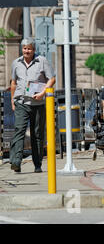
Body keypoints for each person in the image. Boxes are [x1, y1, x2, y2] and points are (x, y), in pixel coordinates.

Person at [10, 37, 56, 173]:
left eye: (29, 48)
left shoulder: (42, 61)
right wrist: (13, 100)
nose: (26, 51)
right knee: (19, 130)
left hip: (38, 103)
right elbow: (13, 83)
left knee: (37, 133)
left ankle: (37, 164)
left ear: (34, 50)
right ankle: (16, 161)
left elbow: (51, 79)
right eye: (24, 48)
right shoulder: (16, 63)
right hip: (21, 102)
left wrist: (43, 93)